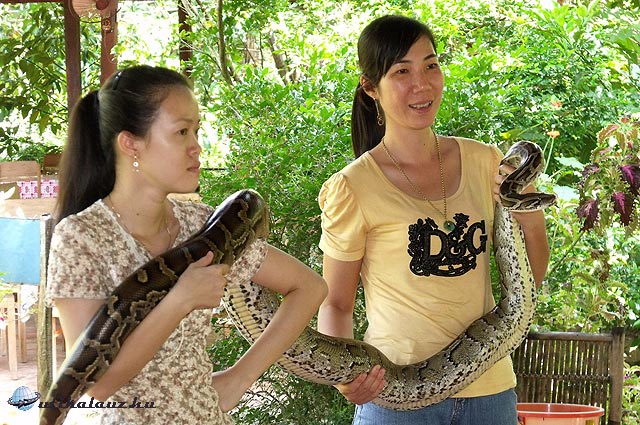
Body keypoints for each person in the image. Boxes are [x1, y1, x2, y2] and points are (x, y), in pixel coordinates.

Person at [45, 65, 327, 425]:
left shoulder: (203, 225)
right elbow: (94, 387)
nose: (197, 147)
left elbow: (310, 287)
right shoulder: (81, 237)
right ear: (130, 144)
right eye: (181, 132)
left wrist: (240, 378)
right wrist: (180, 300)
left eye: (197, 130)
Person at [316, 15, 550, 424]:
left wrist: (525, 205)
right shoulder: (353, 187)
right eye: (401, 71)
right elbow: (335, 303)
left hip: (490, 394)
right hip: (394, 399)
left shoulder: (485, 161)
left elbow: (531, 272)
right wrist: (344, 377)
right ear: (370, 87)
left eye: (431, 65)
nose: (422, 84)